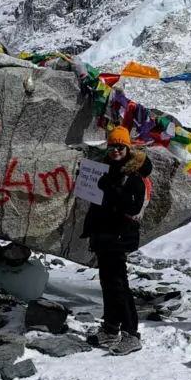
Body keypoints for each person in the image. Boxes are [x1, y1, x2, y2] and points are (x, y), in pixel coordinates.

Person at [80, 125, 153, 356]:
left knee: (119, 285)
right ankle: (111, 329)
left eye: (120, 146)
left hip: (119, 236)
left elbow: (132, 206)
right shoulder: (106, 169)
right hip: (103, 235)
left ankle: (132, 334)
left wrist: (109, 189)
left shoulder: (134, 174)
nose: (115, 151)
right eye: (112, 146)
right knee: (108, 283)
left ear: (127, 147)